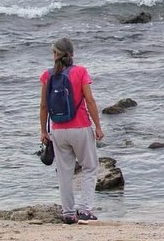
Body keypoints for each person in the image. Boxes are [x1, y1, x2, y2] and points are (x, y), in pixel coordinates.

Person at [39, 37, 104, 225]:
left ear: (55, 54)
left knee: (64, 172)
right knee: (90, 167)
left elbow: (43, 106)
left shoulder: (47, 75)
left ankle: (68, 213)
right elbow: (89, 101)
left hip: (57, 130)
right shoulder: (80, 71)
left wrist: (43, 131)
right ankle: (85, 211)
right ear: (71, 54)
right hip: (81, 127)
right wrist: (98, 126)